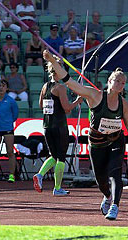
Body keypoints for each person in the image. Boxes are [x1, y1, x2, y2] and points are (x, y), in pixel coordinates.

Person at [43, 50, 128, 220]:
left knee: (115, 173)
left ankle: (115, 206)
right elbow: (69, 82)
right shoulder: (94, 95)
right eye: (117, 80)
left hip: (116, 141)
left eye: (123, 83)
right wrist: (52, 60)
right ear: (109, 81)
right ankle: (107, 196)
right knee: (101, 180)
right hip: (96, 143)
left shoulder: (123, 104)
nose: (119, 84)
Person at [32, 61, 82, 196]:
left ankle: (40, 175)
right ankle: (58, 188)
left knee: (53, 156)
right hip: (59, 126)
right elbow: (67, 109)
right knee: (60, 157)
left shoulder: (45, 86)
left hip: (47, 126)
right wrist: (77, 102)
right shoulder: (60, 88)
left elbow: (41, 105)